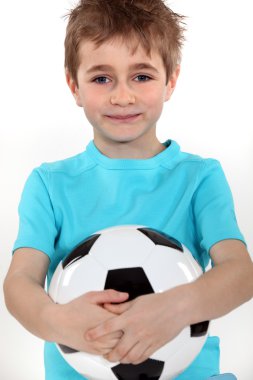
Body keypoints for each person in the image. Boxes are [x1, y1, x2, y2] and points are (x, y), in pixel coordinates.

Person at [3, 0, 253, 379]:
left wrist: (175, 307)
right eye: (102, 78)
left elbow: (240, 273)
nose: (123, 96)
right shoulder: (49, 183)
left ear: (170, 81)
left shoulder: (200, 177)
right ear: (74, 85)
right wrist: (58, 320)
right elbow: (19, 282)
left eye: (142, 77)